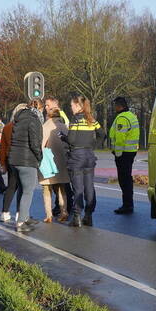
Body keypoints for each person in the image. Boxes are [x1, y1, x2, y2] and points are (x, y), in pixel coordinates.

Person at [61, 94, 103, 227]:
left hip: (76, 157)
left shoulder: (76, 120)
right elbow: (102, 134)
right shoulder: (91, 119)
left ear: (78, 106)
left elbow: (72, 140)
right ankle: (88, 216)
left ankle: (77, 217)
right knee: (89, 187)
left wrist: (63, 137)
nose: (71, 108)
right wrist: (93, 145)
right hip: (89, 156)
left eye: (72, 105)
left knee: (78, 188)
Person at [8, 99, 44, 231]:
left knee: (22, 190)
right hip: (27, 160)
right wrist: (40, 157)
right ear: (39, 108)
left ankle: (25, 216)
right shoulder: (34, 120)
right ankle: (21, 223)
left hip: (14, 159)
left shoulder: (19, 119)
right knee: (28, 191)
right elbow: (35, 143)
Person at [109, 96, 139, 214]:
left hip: (123, 154)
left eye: (115, 105)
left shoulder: (122, 118)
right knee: (127, 178)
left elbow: (120, 138)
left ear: (119, 106)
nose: (114, 107)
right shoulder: (131, 116)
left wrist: (118, 154)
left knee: (124, 180)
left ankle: (127, 205)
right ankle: (128, 204)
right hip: (130, 152)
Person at [44, 96, 73, 216]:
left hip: (60, 154)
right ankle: (62, 205)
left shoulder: (60, 117)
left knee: (62, 183)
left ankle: (66, 206)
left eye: (47, 105)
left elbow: (65, 134)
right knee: (59, 182)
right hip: (57, 153)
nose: (45, 107)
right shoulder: (54, 116)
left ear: (54, 106)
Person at [40, 107, 69, 222]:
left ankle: (48, 215)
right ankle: (64, 211)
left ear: (48, 116)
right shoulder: (63, 127)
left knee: (47, 188)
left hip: (48, 161)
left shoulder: (45, 126)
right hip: (62, 161)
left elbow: (41, 145)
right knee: (61, 188)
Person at [0, 103, 24, 222]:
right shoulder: (25, 126)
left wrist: (2, 163)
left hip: (10, 159)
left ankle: (5, 212)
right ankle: (19, 213)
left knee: (11, 186)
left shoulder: (7, 127)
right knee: (23, 187)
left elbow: (2, 147)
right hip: (23, 158)